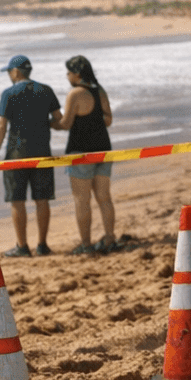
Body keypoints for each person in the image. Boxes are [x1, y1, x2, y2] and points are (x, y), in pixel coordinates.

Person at [0, 54, 62, 258]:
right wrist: (43, 123)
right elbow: (59, 119)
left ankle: (22, 246)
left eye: (9, 72)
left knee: (17, 200)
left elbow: (2, 126)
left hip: (16, 154)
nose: (9, 75)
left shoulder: (9, 93)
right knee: (42, 199)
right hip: (42, 153)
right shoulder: (45, 90)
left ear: (15, 72)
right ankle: (42, 245)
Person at [54, 54, 117, 254]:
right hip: (103, 149)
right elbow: (108, 120)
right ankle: (109, 238)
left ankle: (86, 244)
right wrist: (94, 121)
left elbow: (66, 124)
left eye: (69, 72)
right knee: (104, 198)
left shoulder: (75, 94)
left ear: (77, 74)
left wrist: (50, 123)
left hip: (80, 151)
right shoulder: (100, 91)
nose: (67, 76)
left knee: (82, 200)